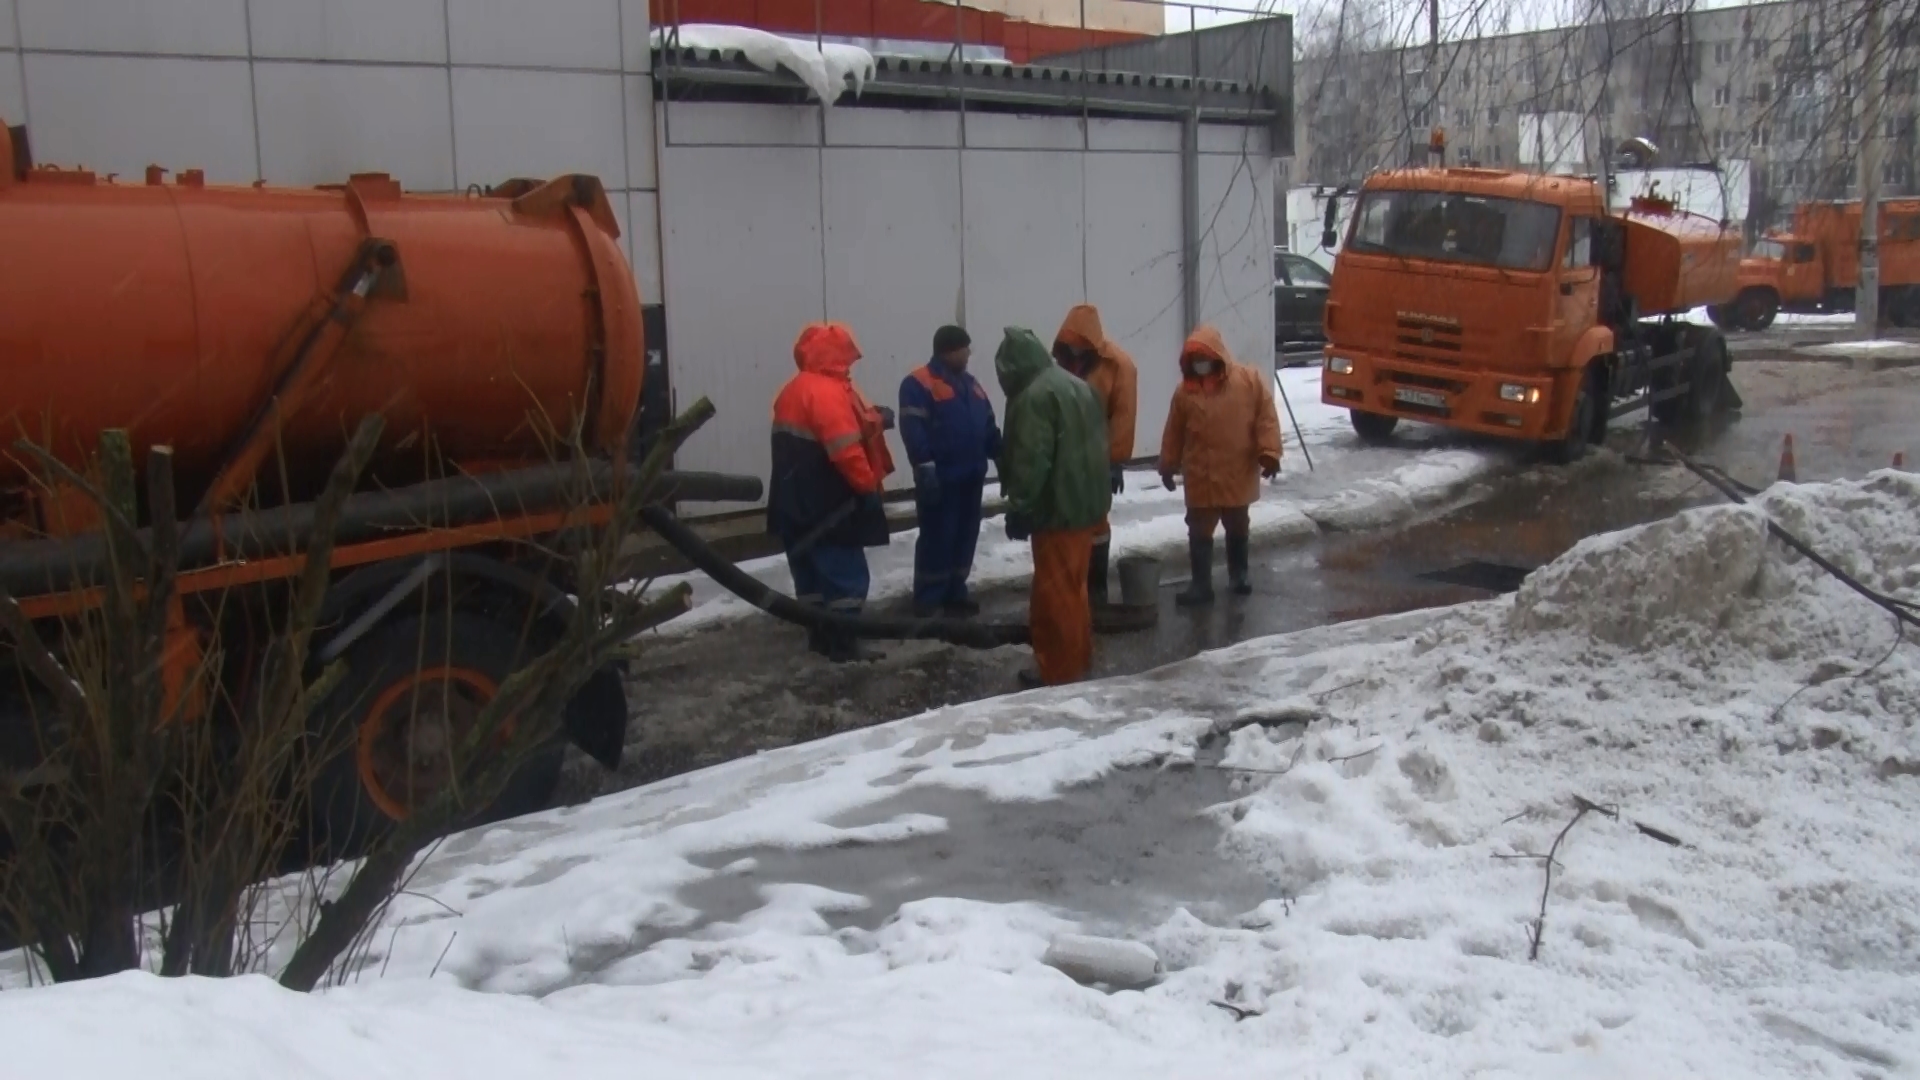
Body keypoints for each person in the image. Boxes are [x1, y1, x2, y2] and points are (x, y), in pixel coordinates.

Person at [768, 321, 897, 662]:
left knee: (808, 573)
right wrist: (867, 486)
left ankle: (820, 636)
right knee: (844, 573)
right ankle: (844, 642)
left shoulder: (794, 389)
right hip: (829, 502)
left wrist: (876, 419)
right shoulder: (828, 393)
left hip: (794, 499)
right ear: (835, 356)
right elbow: (846, 450)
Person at [996, 326, 1112, 689]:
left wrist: (1020, 505)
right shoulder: (1076, 386)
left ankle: (1057, 671)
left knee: (1054, 595)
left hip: (1056, 510)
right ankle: (1077, 658)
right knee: (1074, 589)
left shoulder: (1035, 396)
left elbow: (1033, 459)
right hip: (1084, 505)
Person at [1158, 325, 1282, 606]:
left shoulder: (1248, 382)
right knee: (1199, 529)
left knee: (1238, 524)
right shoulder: (1184, 394)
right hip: (1200, 475)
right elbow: (1174, 432)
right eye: (1194, 359)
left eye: (1203, 357)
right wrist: (1167, 464)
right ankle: (1201, 585)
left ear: (1217, 356)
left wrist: (1270, 452)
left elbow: (1266, 418)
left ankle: (1239, 575)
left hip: (1236, 472)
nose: (1199, 364)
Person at [900, 325, 1001, 618]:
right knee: (938, 537)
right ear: (948, 350)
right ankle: (929, 599)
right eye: (963, 348)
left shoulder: (971, 384)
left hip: (971, 476)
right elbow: (913, 428)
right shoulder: (918, 383)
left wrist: (999, 452)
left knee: (964, 536)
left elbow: (987, 422)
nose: (968, 354)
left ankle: (955, 592)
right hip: (942, 480)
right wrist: (924, 465)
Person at [1051, 304, 1137, 607]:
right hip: (1064, 456)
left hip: (1097, 458)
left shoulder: (1118, 366)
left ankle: (1096, 587)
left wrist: (1115, 461)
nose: (1074, 349)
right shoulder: (1060, 362)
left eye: (1080, 342)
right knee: (1063, 521)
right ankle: (1069, 589)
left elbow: (1123, 417)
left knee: (1096, 523)